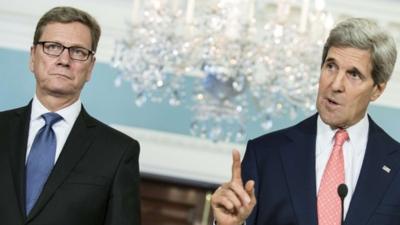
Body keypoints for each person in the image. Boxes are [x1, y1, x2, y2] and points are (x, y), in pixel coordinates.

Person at [211, 17, 399, 225]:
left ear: (377, 90)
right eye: (331, 66)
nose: (335, 84)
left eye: (353, 74)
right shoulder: (266, 155)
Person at [0, 6, 140, 225]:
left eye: (78, 52)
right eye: (53, 47)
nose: (64, 60)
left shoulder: (119, 152)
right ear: (32, 56)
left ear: (91, 67)